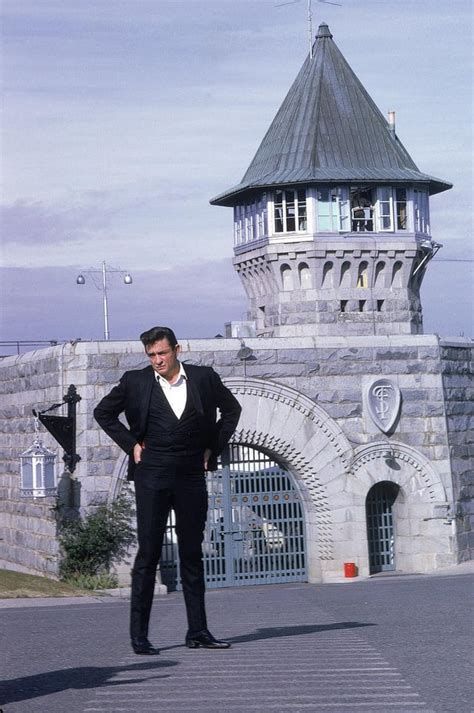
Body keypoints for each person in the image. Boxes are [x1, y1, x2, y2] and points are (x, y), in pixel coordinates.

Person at [94, 325, 241, 655]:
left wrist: (211, 449)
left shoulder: (204, 378)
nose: (157, 360)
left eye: (162, 353)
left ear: (177, 349)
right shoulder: (136, 382)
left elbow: (232, 410)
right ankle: (140, 637)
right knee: (148, 554)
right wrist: (130, 444)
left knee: (192, 553)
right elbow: (102, 413)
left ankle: (198, 631)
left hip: (191, 473)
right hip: (153, 473)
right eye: (151, 355)